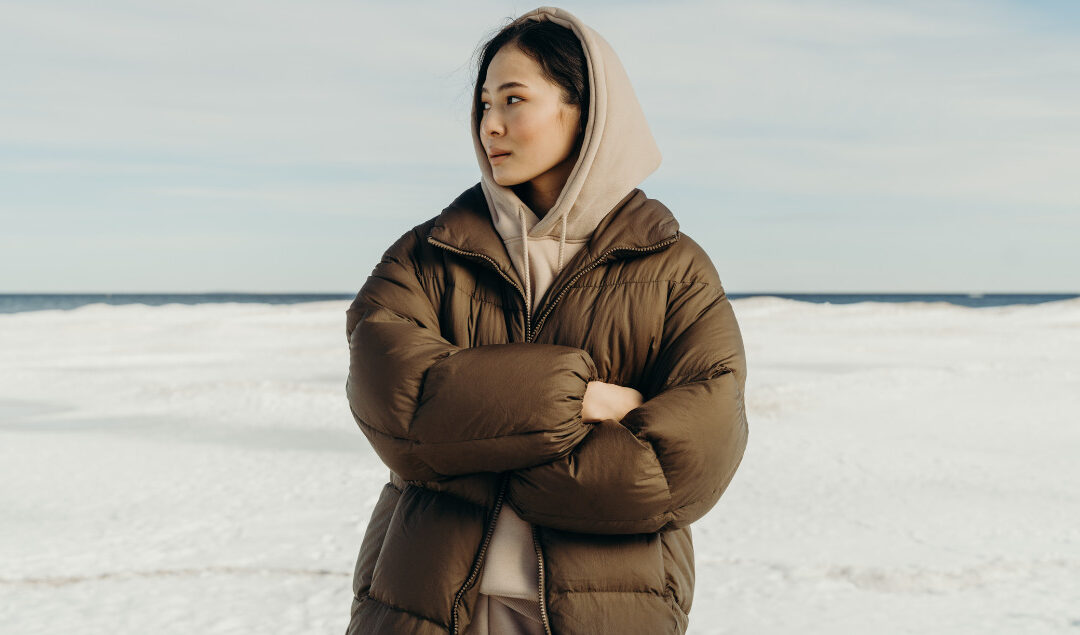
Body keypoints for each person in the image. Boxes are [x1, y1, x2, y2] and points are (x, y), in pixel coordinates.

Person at [344, 6, 749, 634]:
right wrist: (580, 399)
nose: (489, 126)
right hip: (427, 604)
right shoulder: (427, 254)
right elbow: (397, 408)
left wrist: (486, 432)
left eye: (513, 100)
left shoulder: (675, 268)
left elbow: (690, 460)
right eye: (482, 105)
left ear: (586, 111)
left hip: (612, 607)